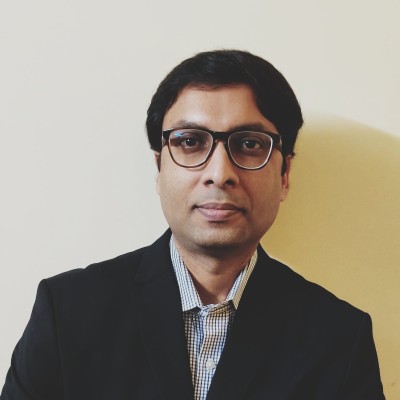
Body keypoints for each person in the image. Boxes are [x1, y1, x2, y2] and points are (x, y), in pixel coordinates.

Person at [1, 50, 385, 400]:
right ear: (159, 167)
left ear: (284, 175)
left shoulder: (339, 339)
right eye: (190, 142)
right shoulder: (68, 313)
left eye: (249, 144)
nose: (219, 173)